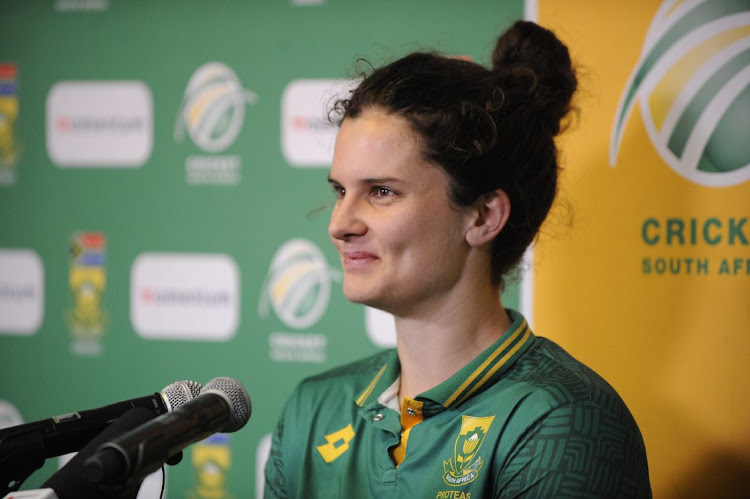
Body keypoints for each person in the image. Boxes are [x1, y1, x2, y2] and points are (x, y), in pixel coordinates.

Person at [264, 20, 651, 498]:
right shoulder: (313, 409)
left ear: (484, 216)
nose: (340, 223)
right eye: (341, 191)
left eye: (381, 192)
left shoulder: (562, 419)